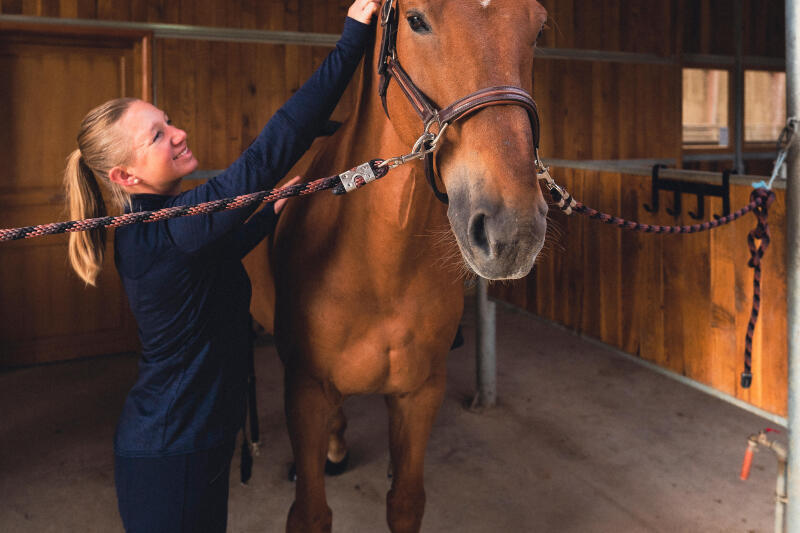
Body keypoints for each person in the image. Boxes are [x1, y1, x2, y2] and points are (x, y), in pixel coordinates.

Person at [62, 2, 380, 531]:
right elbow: (265, 156)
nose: (178, 133)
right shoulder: (172, 226)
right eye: (158, 136)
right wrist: (352, 41)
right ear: (125, 175)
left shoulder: (159, 227)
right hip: (171, 454)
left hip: (183, 444)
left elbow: (206, 260)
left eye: (168, 122)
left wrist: (271, 210)